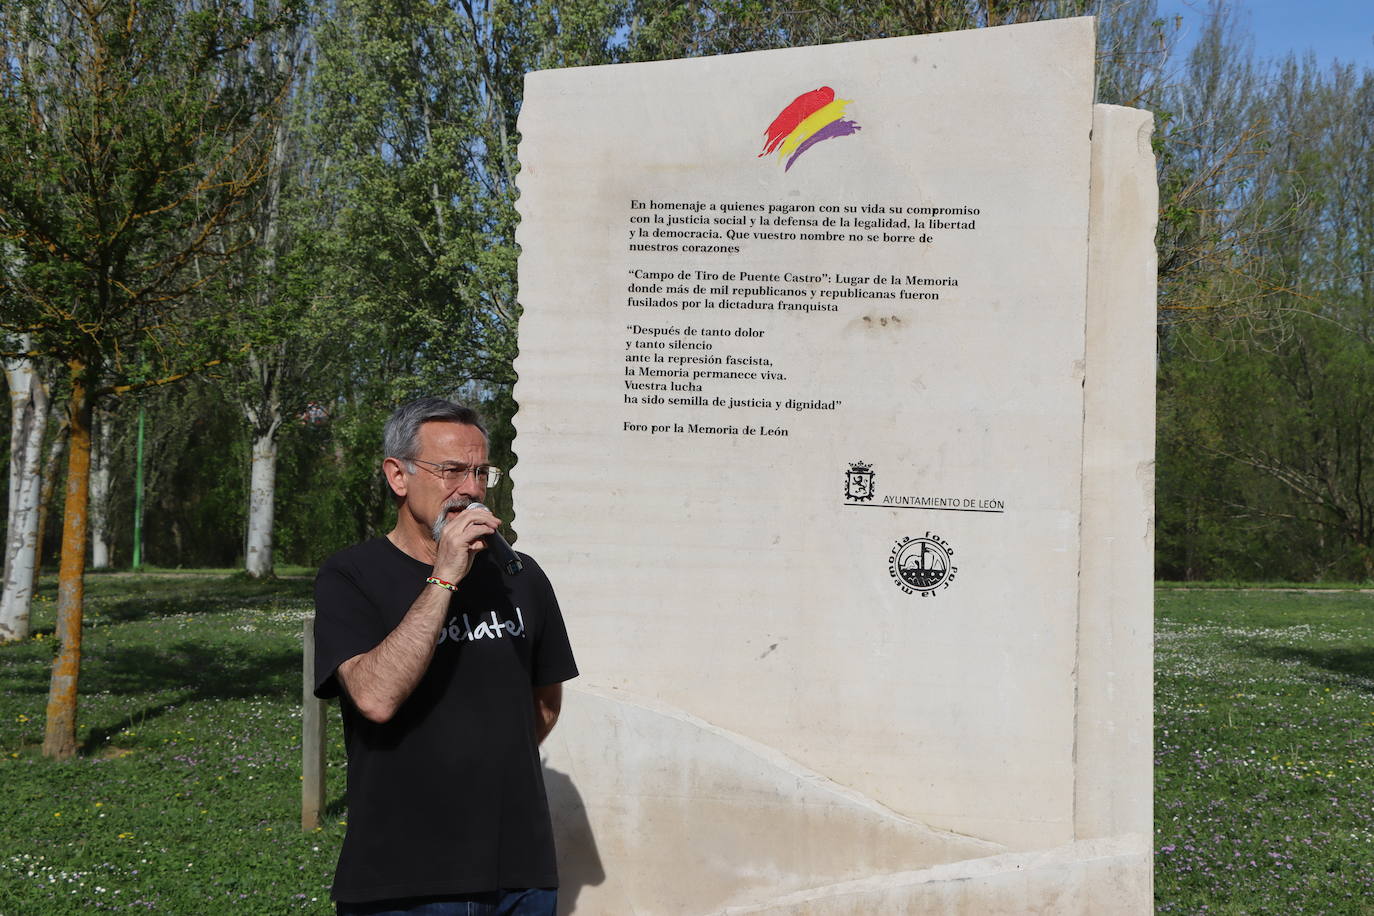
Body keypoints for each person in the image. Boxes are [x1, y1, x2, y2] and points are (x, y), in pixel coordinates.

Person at [313, 397, 578, 916]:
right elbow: (374, 698)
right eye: (452, 470)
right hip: (404, 877)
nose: (473, 489)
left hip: (518, 871)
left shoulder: (520, 576)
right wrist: (445, 577)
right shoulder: (350, 577)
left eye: (482, 471)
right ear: (398, 476)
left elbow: (544, 704)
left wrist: (481, 767)